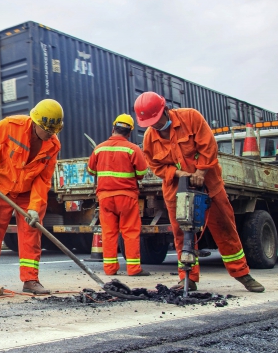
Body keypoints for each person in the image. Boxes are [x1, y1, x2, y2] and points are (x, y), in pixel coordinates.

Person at [135, 91, 265, 293]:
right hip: (177, 191)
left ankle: (242, 273)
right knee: (182, 234)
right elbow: (156, 166)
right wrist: (178, 173)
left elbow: (209, 146)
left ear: (165, 110)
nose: (155, 125)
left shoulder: (191, 118)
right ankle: (187, 278)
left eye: (156, 120)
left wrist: (201, 171)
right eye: (150, 123)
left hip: (209, 186)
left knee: (225, 229)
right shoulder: (150, 138)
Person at [0, 100, 63, 295]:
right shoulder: (12, 125)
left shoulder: (53, 145)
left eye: (53, 131)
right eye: (47, 130)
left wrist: (34, 207)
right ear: (36, 122)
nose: (50, 134)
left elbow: (43, 179)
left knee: (31, 232)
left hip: (27, 192)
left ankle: (30, 280)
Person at [87, 114, 149, 276]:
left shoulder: (99, 149)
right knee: (130, 232)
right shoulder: (133, 149)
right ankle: (133, 269)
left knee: (108, 233)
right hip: (126, 197)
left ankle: (110, 269)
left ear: (113, 128)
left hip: (105, 198)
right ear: (129, 132)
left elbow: (91, 170)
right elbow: (141, 173)